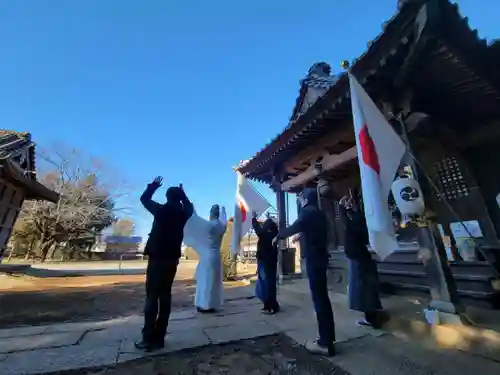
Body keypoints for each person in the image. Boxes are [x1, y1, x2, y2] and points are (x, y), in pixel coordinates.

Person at [273, 188, 335, 356]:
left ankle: (324, 343)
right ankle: (328, 338)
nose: (300, 200)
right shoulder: (320, 214)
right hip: (321, 257)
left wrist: (279, 236)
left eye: (301, 198)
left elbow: (295, 226)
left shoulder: (307, 212)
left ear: (307, 199)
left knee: (319, 300)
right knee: (323, 299)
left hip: (314, 259)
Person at [135, 176, 194, 351]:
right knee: (165, 296)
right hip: (172, 258)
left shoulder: (161, 210)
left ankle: (147, 338)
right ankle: (160, 337)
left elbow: (144, 199)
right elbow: (190, 207)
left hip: (157, 257)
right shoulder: (183, 214)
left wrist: (153, 186)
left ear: (167, 197)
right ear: (179, 198)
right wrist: (184, 196)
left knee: (152, 296)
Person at [339, 190, 385, 328]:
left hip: (358, 257)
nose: (349, 205)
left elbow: (349, 224)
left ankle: (371, 319)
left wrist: (342, 209)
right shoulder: (358, 218)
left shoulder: (358, 219)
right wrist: (345, 209)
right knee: (365, 288)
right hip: (359, 256)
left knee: (363, 289)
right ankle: (372, 316)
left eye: (351, 203)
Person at [192, 204, 227, 313]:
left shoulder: (209, 226)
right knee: (213, 282)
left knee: (205, 280)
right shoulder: (222, 226)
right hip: (216, 256)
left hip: (207, 256)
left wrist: (193, 210)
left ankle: (204, 304)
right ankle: (212, 304)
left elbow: (197, 227)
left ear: (212, 213)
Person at [252, 212, 280, 315]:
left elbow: (259, 232)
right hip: (268, 259)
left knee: (267, 283)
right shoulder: (273, 229)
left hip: (266, 260)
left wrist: (254, 218)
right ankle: (270, 305)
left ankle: (271, 306)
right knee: (268, 283)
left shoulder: (269, 228)